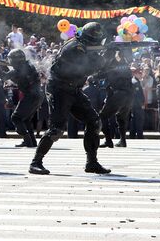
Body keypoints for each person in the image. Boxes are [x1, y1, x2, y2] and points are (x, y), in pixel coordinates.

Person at [29, 22, 111, 175]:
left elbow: (95, 68)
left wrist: (107, 56)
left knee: (94, 121)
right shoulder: (74, 48)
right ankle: (35, 162)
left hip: (74, 89)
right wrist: (104, 58)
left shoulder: (83, 47)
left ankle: (92, 162)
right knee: (57, 129)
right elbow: (85, 68)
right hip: (59, 89)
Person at [1, 49, 43, 148]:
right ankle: (31, 141)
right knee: (26, 119)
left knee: (16, 117)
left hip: (30, 96)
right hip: (37, 95)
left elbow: (4, 77)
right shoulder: (28, 66)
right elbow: (19, 79)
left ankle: (27, 140)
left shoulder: (19, 69)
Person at [96, 47, 134, 148]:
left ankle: (108, 140)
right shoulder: (125, 65)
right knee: (121, 118)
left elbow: (99, 75)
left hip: (118, 94)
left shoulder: (110, 65)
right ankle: (123, 141)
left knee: (102, 116)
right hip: (129, 95)